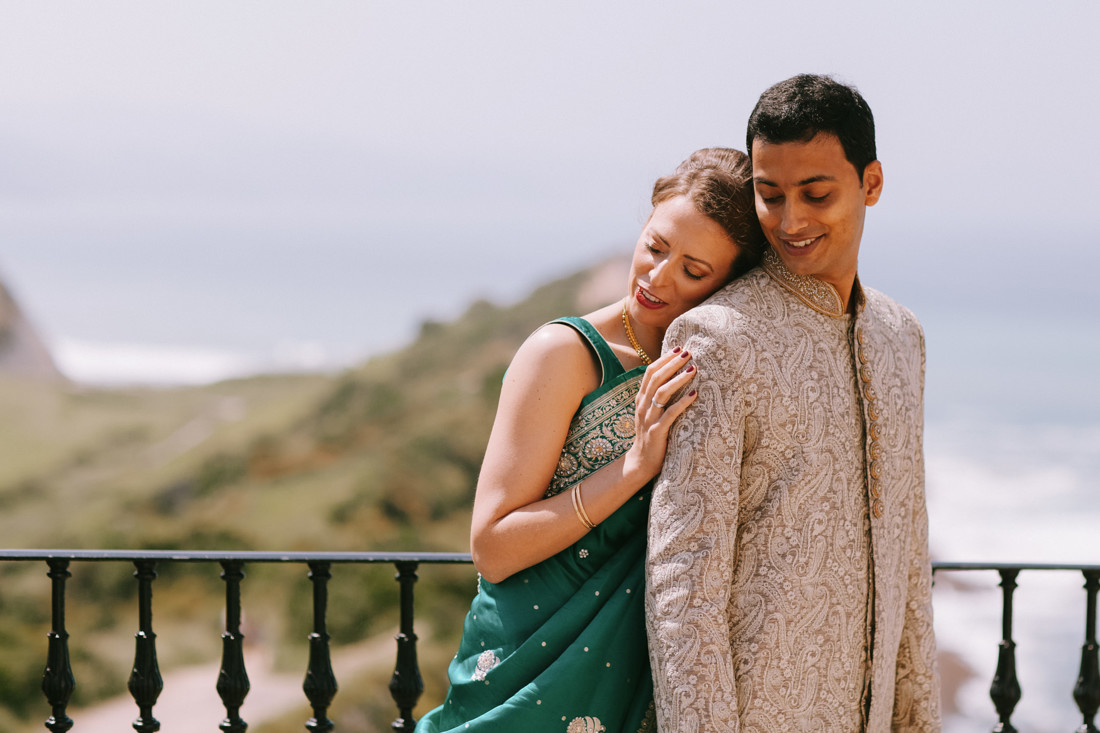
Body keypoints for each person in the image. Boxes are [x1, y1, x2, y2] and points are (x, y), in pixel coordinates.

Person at [416, 147, 766, 733]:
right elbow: (493, 547)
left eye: (694, 270)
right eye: (655, 247)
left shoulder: (713, 368)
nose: (657, 277)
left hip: (643, 673)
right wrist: (632, 468)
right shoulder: (564, 354)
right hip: (525, 667)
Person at [645, 75, 941, 732]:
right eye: (769, 195)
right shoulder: (718, 338)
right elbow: (682, 582)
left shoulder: (902, 338)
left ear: (871, 183)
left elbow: (908, 554)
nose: (790, 220)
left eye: (816, 194)